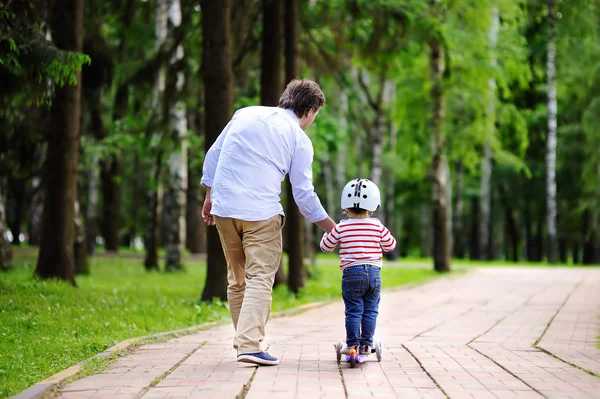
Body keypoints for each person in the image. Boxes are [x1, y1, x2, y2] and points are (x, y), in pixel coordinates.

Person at [201, 79, 336, 366]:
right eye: (315, 115)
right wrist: (335, 229)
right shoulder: (299, 139)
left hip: (224, 209)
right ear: (310, 110)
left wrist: (209, 195)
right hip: (261, 214)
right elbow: (303, 195)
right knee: (260, 277)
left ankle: (243, 342)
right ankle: (249, 345)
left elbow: (215, 153)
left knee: (237, 279)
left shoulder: (245, 113)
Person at [319, 178, 396, 363]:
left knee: (354, 311)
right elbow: (391, 245)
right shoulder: (377, 226)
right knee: (370, 311)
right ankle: (366, 345)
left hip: (352, 274)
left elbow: (325, 247)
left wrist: (326, 234)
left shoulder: (341, 227)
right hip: (374, 275)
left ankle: (352, 346)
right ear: (373, 205)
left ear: (345, 205)